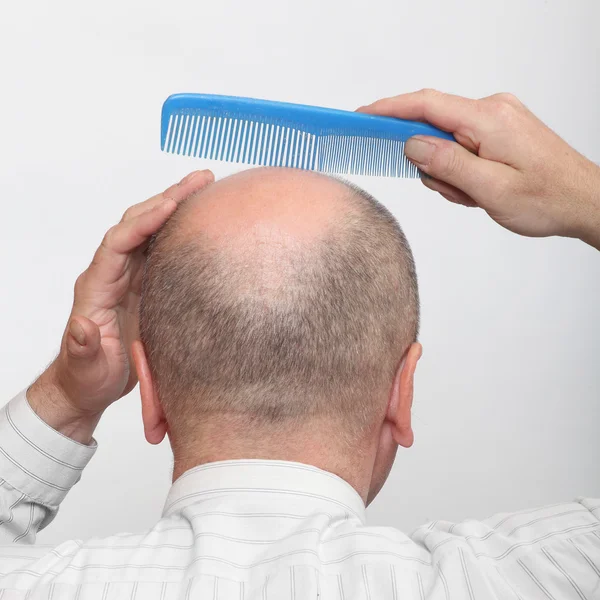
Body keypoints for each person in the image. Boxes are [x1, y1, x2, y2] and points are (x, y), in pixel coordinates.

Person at [0, 90, 598, 599]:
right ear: (403, 393)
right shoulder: (530, 577)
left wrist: (69, 397)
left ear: (147, 393)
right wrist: (585, 197)